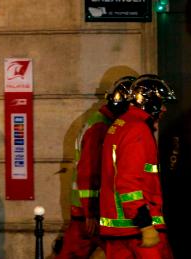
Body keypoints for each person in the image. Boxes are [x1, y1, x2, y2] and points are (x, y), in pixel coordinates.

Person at [57, 76, 136, 259]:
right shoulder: (101, 127)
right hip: (92, 211)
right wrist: (90, 211)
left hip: (90, 210)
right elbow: (89, 170)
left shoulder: (99, 122)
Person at [99, 74, 176, 259]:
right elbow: (128, 182)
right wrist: (145, 224)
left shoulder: (120, 125)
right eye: (161, 102)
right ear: (150, 102)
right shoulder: (138, 129)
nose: (164, 108)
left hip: (119, 230)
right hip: (137, 230)